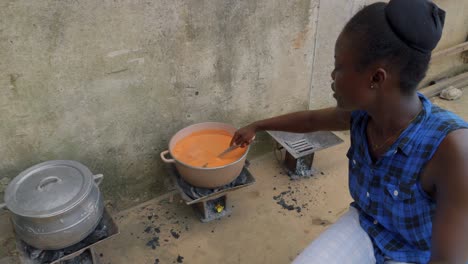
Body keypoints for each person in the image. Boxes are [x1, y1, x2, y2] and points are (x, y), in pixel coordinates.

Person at [231, 0, 468, 263]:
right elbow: (310, 120)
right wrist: (257, 126)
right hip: (369, 226)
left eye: (339, 66)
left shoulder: (452, 150)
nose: (332, 76)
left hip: (416, 254)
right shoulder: (363, 116)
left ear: (376, 79)